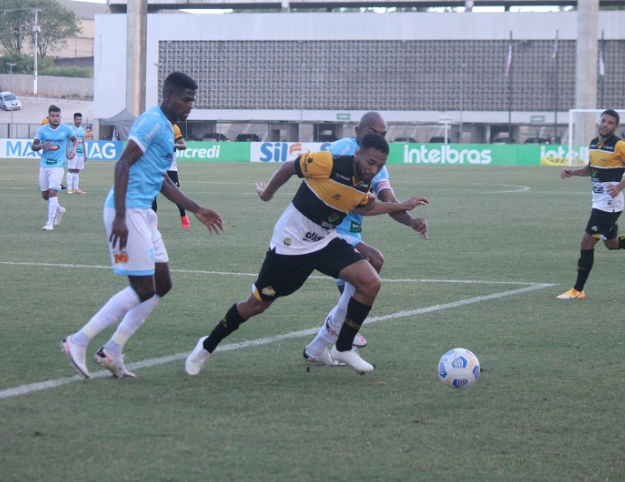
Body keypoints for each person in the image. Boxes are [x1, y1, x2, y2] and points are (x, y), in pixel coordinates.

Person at [185, 133, 427, 376]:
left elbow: (366, 206)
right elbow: (289, 167)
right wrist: (267, 194)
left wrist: (403, 206)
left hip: (324, 239)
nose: (374, 169)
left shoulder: (364, 181)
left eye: (380, 165)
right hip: (291, 243)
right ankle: (207, 345)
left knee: (371, 281)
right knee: (256, 305)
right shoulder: (328, 162)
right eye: (370, 162)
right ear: (357, 154)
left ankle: (343, 347)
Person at [60, 71, 224, 379]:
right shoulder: (151, 122)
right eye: (186, 99)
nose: (190, 105)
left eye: (193, 100)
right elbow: (123, 163)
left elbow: (161, 179)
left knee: (161, 284)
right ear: (169, 97)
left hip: (145, 214)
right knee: (143, 287)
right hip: (128, 212)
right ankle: (77, 341)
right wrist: (120, 217)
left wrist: (196, 209)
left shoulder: (168, 127)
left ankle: (112, 351)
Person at [303, 112, 429, 365]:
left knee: (368, 272)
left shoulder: (377, 163)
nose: (378, 137)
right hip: (328, 227)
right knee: (373, 261)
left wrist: (411, 222)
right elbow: (315, 174)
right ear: (358, 130)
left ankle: (319, 346)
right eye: (373, 131)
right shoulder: (343, 148)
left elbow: (388, 200)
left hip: (350, 232)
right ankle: (341, 336)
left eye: (383, 134)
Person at [557, 109, 625, 300]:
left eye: (610, 122)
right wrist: (573, 172)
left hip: (608, 203)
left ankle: (577, 290)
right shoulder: (593, 144)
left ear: (616, 126)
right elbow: (591, 169)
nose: (605, 124)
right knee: (612, 244)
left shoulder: (620, 146)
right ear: (599, 122)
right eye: (603, 121)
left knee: (586, 241)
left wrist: (620, 187)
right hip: (599, 201)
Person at [31, 105, 77, 231]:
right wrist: (42, 145)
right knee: (45, 195)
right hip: (45, 164)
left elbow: (75, 140)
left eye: (58, 116)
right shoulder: (42, 130)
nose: (55, 118)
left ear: (60, 117)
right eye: (53, 116)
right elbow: (33, 147)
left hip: (58, 165)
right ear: (48, 117)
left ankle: (50, 223)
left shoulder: (66, 129)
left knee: (53, 192)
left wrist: (71, 151)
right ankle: (59, 209)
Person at [151, 123, 190, 229]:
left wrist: (173, 145)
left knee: (176, 194)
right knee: (152, 196)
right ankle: (154, 222)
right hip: (156, 166)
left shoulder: (174, 127)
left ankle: (183, 214)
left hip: (170, 167)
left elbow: (183, 146)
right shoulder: (155, 127)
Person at [67, 112, 88, 195]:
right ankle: (69, 188)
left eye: (80, 119)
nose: (79, 121)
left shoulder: (82, 129)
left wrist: (85, 153)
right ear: (74, 120)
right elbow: (68, 140)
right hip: (73, 152)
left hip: (81, 152)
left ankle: (76, 188)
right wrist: (68, 151)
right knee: (71, 169)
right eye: (77, 119)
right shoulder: (70, 128)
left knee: (77, 170)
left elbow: (83, 141)